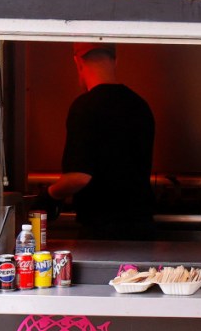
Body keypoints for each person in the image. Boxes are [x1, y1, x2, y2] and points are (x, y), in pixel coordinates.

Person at [35, 43, 156, 240]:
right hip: (142, 230)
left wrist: (50, 195)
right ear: (116, 60)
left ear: (78, 61)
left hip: (103, 233)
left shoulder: (85, 107)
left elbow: (79, 176)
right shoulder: (140, 105)